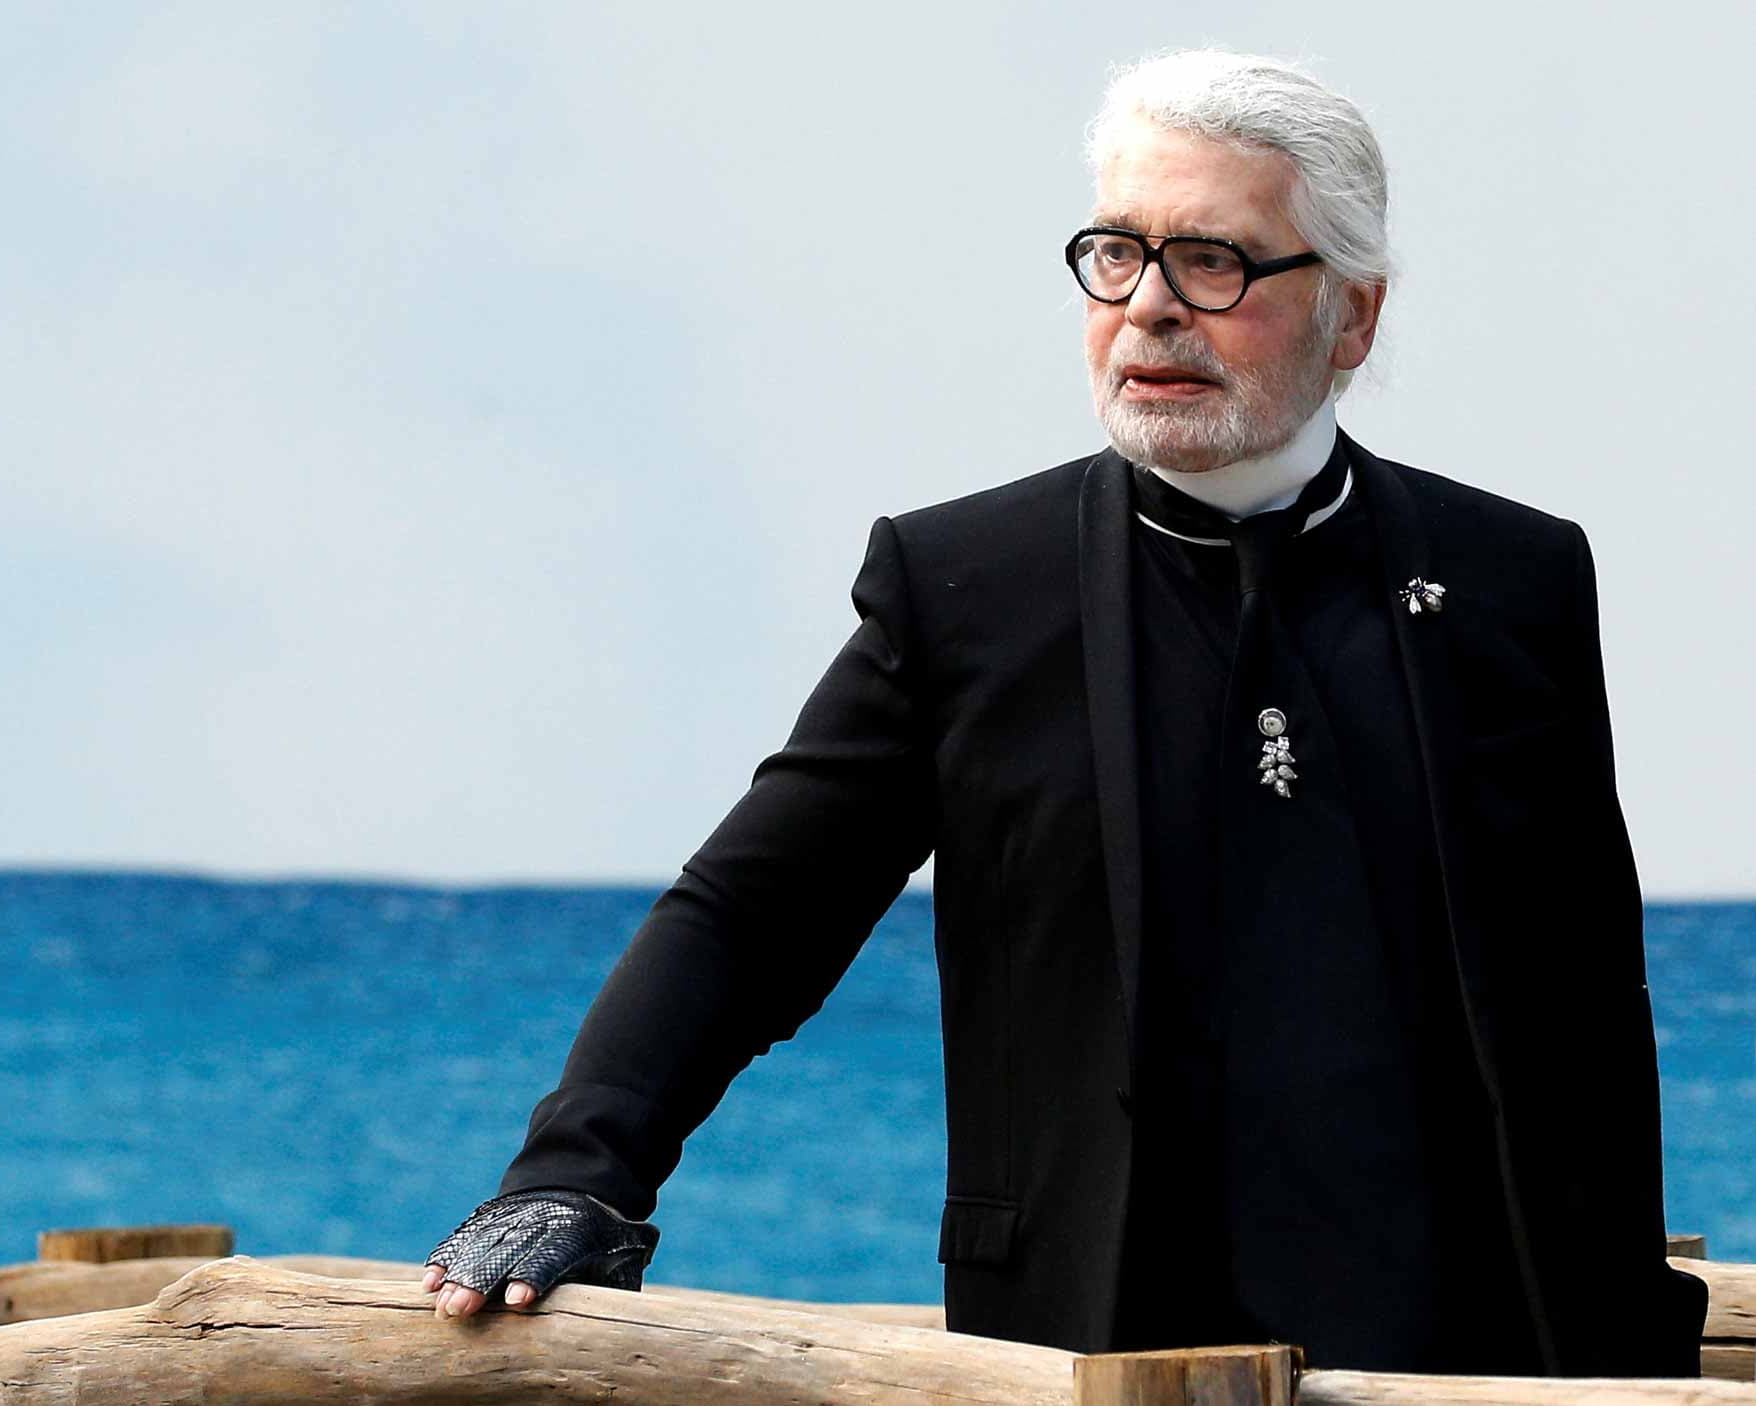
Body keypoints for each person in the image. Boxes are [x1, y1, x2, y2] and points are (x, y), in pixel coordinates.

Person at [418, 49, 1709, 1377]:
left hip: (1465, 1352)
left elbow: (1590, 993)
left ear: (1355, 316)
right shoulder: (967, 587)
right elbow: (754, 911)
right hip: (1083, 1344)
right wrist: (573, 1172)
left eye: (1215, 260)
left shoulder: (1515, 580)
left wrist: (1624, 1326)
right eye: (1117, 255)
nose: (1150, 308)